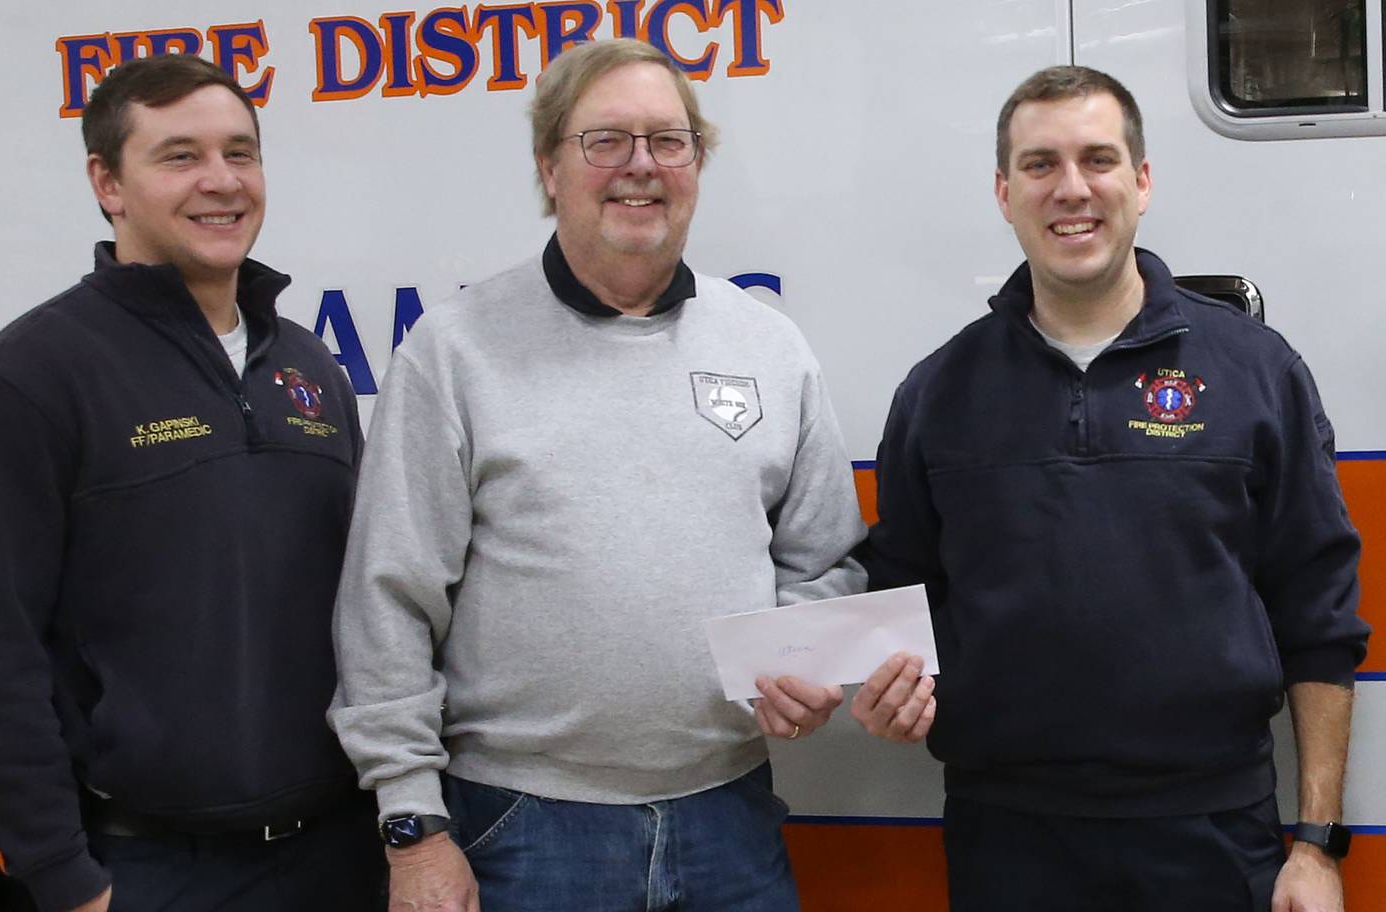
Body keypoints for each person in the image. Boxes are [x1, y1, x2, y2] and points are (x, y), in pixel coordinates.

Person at [329, 37, 927, 912]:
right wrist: (412, 825)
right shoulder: (454, 352)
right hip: (523, 828)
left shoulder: (767, 345)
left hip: (729, 819)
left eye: (668, 140)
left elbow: (824, 559)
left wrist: (796, 662)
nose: (640, 166)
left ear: (696, 164)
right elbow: (388, 601)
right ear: (550, 166)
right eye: (605, 140)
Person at [860, 65, 1369, 912]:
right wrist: (889, 690)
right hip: (1007, 838)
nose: (1072, 189)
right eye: (1040, 164)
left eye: (1098, 159)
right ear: (1004, 192)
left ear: (1142, 180)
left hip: (1212, 831)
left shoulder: (1256, 372)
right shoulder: (939, 391)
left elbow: (1320, 621)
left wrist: (1316, 844)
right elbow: (899, 602)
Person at [0, 54, 379, 911]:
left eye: (240, 153)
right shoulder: (24, 383)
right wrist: (64, 879)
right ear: (106, 183)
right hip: (143, 870)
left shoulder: (308, 368)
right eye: (180, 156)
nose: (221, 181)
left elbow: (371, 610)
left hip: (338, 857)